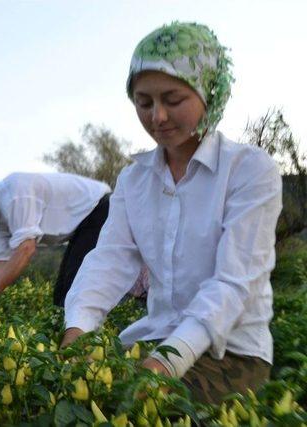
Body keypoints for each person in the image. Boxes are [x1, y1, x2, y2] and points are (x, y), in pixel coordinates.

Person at [61, 22, 282, 404]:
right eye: (144, 103)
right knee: (69, 393)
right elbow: (109, 259)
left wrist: (166, 362)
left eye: (173, 100)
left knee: (133, 405)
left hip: (230, 351)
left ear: (209, 93)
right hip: (154, 338)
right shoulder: (134, 180)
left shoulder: (249, 170)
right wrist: (78, 325)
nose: (158, 116)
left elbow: (234, 282)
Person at [0, 171, 111, 306]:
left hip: (99, 211)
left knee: (73, 293)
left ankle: (86, 341)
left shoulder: (15, 194)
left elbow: (26, 248)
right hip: (83, 227)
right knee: (61, 296)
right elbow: (2, 259)